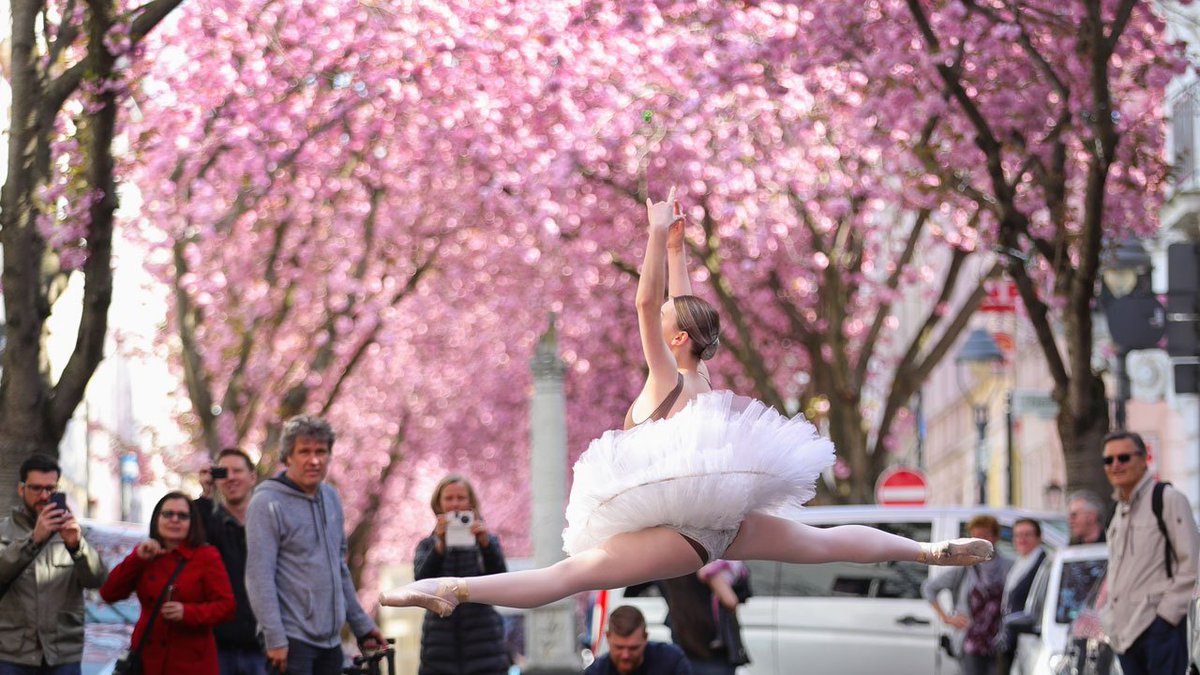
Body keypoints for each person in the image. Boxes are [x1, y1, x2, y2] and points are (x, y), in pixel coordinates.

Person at [381, 188, 993, 617]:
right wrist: (677, 248)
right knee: (821, 542)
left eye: (669, 323)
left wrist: (651, 237)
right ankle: (926, 550)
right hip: (719, 527)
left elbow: (649, 305)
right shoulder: (696, 377)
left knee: (563, 577)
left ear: (676, 339)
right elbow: (678, 305)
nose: (660, 320)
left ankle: (450, 587)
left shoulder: (664, 374)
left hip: (685, 532)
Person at [245, 415, 384, 675]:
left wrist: (362, 625)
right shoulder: (266, 503)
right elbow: (258, 577)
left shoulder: (331, 497)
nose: (314, 460)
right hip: (291, 641)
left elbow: (339, 569)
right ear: (288, 457)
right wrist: (275, 638)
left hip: (330, 642)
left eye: (321, 451)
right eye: (304, 452)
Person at [99, 492, 236, 675]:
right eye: (168, 514)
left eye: (182, 516)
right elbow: (109, 593)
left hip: (190, 662)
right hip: (147, 659)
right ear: (157, 518)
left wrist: (187, 612)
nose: (175, 520)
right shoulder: (146, 553)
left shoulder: (206, 556)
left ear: (191, 522)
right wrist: (137, 558)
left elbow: (227, 606)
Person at [1099, 430, 1199, 675]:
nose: (1115, 465)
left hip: (1159, 631)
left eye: (1123, 458)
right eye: (1108, 460)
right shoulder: (1116, 510)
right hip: (1123, 634)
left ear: (1144, 459)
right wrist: (1107, 617)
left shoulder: (1167, 498)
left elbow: (1193, 563)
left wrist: (1165, 618)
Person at [0, 454, 108, 675]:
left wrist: (77, 546)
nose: (44, 496)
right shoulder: (3, 531)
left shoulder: (75, 532)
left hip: (62, 653)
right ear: (21, 489)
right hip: (12, 652)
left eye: (50, 489)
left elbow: (97, 579)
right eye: (36, 488)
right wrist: (33, 540)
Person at [412, 475, 510, 675]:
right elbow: (420, 582)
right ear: (438, 504)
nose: (455, 504)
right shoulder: (428, 545)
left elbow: (500, 579)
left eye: (461, 498)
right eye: (448, 498)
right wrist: (439, 547)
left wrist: (485, 545)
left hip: (484, 643)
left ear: (471, 503)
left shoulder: (486, 541)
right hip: (439, 645)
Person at [196, 448, 266, 675]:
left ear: (252, 477)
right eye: (224, 472)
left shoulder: (270, 521)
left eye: (238, 471)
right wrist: (205, 494)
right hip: (220, 644)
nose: (232, 477)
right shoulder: (210, 520)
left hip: (265, 645)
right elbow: (193, 544)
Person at [921, 514, 1013, 675]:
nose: (981, 541)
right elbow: (929, 587)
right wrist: (947, 618)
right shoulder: (963, 566)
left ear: (996, 538)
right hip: (970, 641)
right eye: (977, 537)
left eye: (986, 536)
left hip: (999, 642)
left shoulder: (1009, 567)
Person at [659, 560, 750, 674]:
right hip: (711, 644)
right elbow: (730, 601)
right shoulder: (708, 563)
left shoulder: (666, 564)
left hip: (683, 637)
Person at [996, 518, 1047, 674]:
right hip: (1014, 641)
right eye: (1017, 535)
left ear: (1039, 538)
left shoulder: (1043, 565)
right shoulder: (1021, 562)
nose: (1021, 540)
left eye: (1027, 535)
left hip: (1031, 641)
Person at [585, 605, 691, 675]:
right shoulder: (597, 671)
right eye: (619, 647)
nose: (625, 655)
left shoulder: (671, 661)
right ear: (608, 637)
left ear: (645, 638)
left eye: (633, 648)